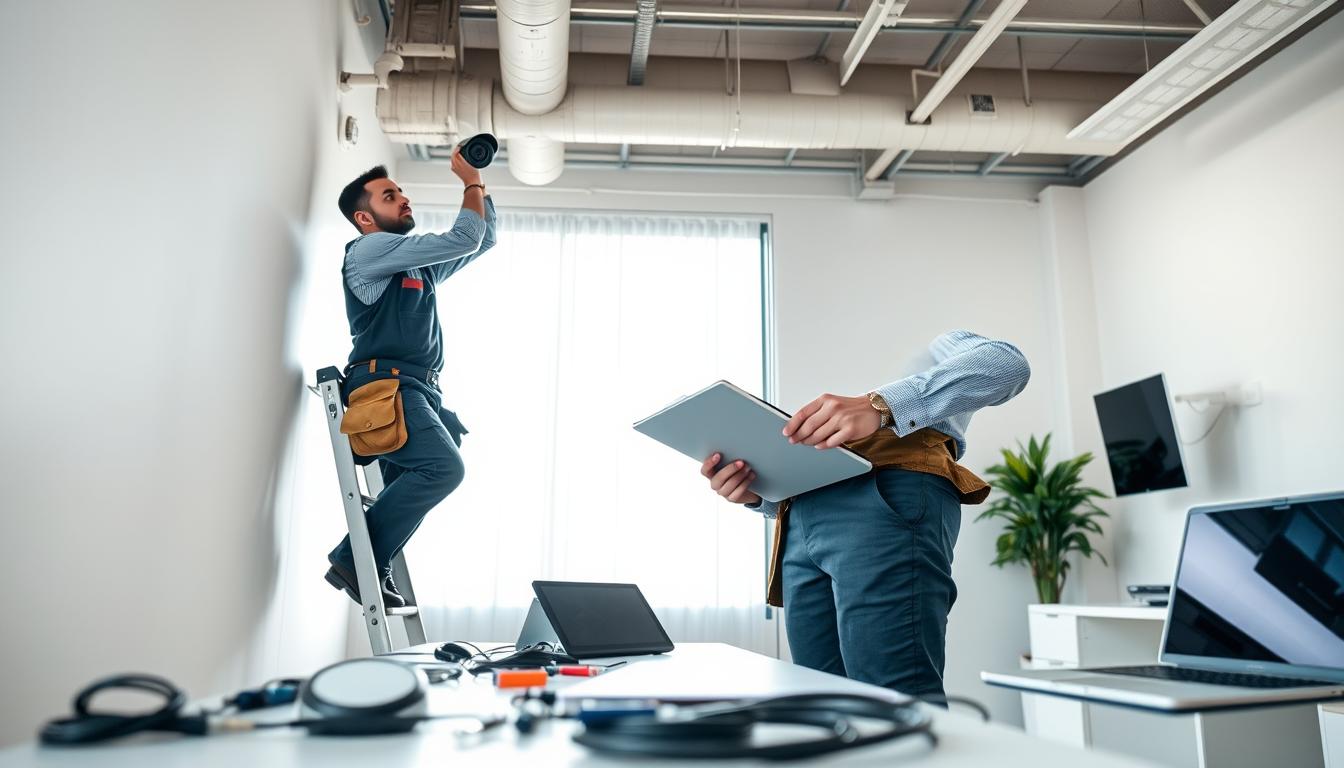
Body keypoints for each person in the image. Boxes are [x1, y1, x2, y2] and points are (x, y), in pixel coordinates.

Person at [701, 330, 1029, 699]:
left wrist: (878, 406)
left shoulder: (942, 345)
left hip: (884, 493)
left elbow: (1007, 363)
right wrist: (757, 494)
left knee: (893, 699)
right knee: (819, 701)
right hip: (798, 513)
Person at [325, 149, 497, 607]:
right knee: (443, 469)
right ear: (365, 217)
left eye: (401, 192)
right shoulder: (370, 250)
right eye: (389, 195)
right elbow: (464, 236)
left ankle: (369, 563)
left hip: (415, 391)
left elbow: (480, 240)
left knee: (432, 468)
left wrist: (480, 180)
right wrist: (469, 183)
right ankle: (353, 560)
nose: (403, 199)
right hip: (388, 389)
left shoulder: (414, 265)